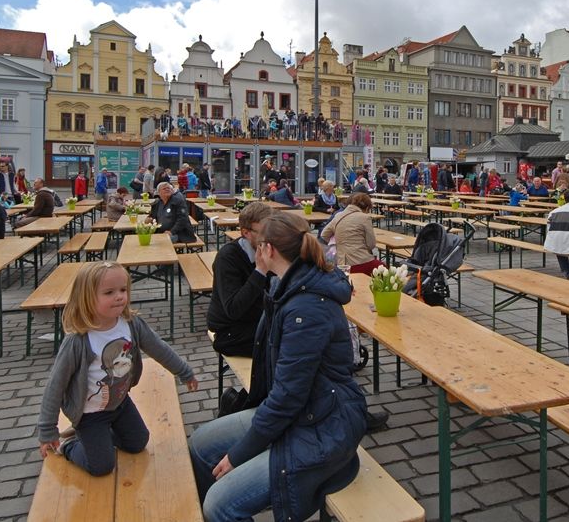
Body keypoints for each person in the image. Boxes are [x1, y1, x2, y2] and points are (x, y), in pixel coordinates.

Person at [189, 212, 367, 522]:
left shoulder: (305, 307)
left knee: (220, 504)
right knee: (200, 445)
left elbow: (288, 398)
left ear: (267, 250)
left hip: (323, 426)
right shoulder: (286, 285)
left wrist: (240, 454)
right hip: (302, 411)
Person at [37, 262, 198, 476]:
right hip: (90, 414)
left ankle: (99, 438)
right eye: (109, 292)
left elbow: (159, 348)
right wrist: (47, 430)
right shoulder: (78, 340)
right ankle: (71, 446)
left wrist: (184, 372)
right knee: (102, 467)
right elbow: (55, 386)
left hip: (120, 403)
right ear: (87, 298)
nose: (120, 296)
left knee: (138, 443)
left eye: (123, 290)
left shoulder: (131, 323)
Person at [207, 203, 275, 357]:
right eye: (265, 231)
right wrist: (260, 271)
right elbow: (233, 309)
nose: (272, 236)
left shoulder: (269, 247)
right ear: (246, 232)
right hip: (231, 332)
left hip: (260, 321)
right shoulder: (228, 257)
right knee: (291, 346)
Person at [320, 193, 381, 275]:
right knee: (385, 271)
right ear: (367, 208)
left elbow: (324, 236)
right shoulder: (364, 217)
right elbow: (371, 244)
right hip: (360, 261)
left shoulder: (338, 216)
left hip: (341, 263)